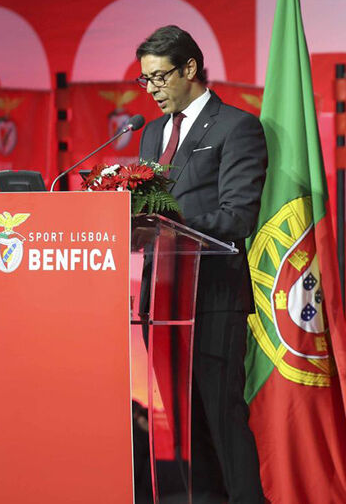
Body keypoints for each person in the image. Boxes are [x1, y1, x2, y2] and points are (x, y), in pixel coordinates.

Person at [136, 25, 268, 503]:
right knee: (184, 422)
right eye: (144, 81)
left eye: (159, 77)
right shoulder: (151, 134)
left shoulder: (236, 127)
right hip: (160, 298)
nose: (151, 90)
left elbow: (238, 214)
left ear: (189, 68)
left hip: (211, 296)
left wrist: (165, 218)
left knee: (221, 416)